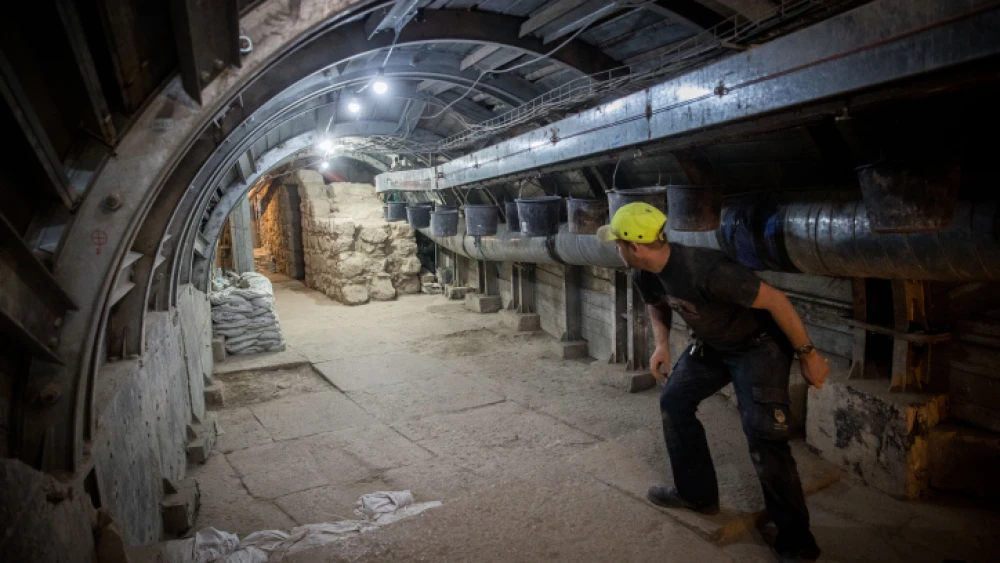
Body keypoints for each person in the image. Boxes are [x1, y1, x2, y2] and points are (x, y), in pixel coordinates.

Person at [597, 202, 829, 562]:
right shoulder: (644, 271)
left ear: (635, 246)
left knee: (764, 435)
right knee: (674, 402)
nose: (616, 249)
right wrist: (661, 344)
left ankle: (798, 542)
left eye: (618, 243)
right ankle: (696, 495)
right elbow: (656, 303)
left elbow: (777, 301)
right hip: (713, 345)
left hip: (758, 348)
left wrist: (808, 355)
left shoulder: (708, 269)